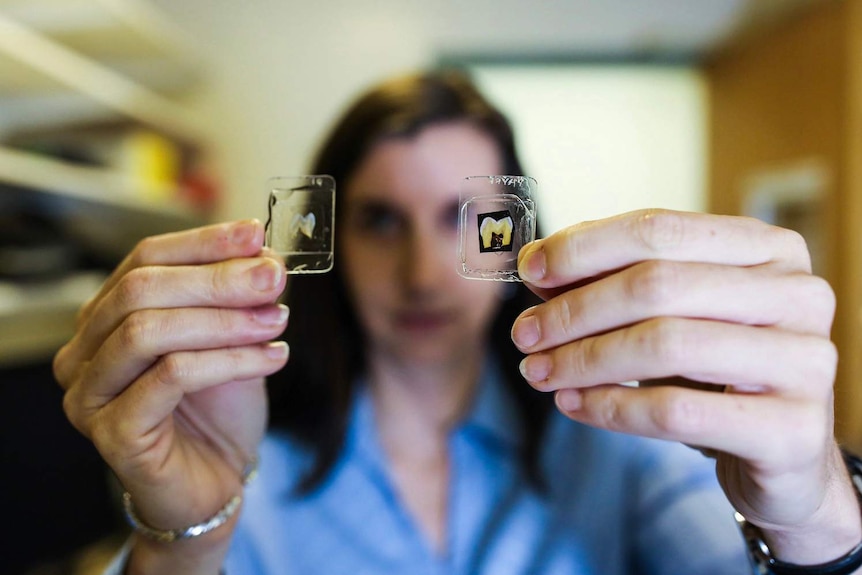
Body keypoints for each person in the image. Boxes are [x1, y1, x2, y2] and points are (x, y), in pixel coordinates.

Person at [54, 71, 862, 575]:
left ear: (515, 228)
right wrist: (182, 543)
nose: (423, 272)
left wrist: (816, 514)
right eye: (378, 219)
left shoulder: (618, 434)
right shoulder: (236, 458)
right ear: (326, 237)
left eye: (461, 218)